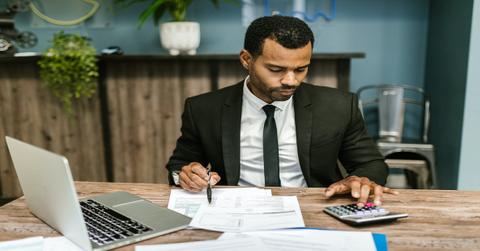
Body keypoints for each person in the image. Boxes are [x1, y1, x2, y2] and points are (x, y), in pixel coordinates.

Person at [167, 15, 397, 206]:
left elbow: (372, 164)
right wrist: (187, 175)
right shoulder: (203, 109)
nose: (291, 81)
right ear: (246, 59)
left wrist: (360, 179)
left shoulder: (338, 106)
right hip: (234, 209)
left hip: (315, 206)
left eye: (301, 69)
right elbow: (179, 167)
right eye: (276, 69)